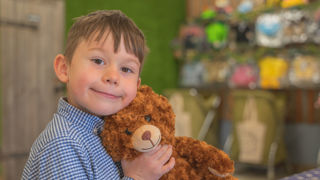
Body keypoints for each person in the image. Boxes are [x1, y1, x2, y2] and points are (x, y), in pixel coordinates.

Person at [22, 10, 175, 180]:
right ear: (64, 68)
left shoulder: (116, 135)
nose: (113, 77)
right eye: (98, 61)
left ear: (137, 86)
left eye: (126, 69)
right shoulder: (63, 143)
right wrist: (137, 177)